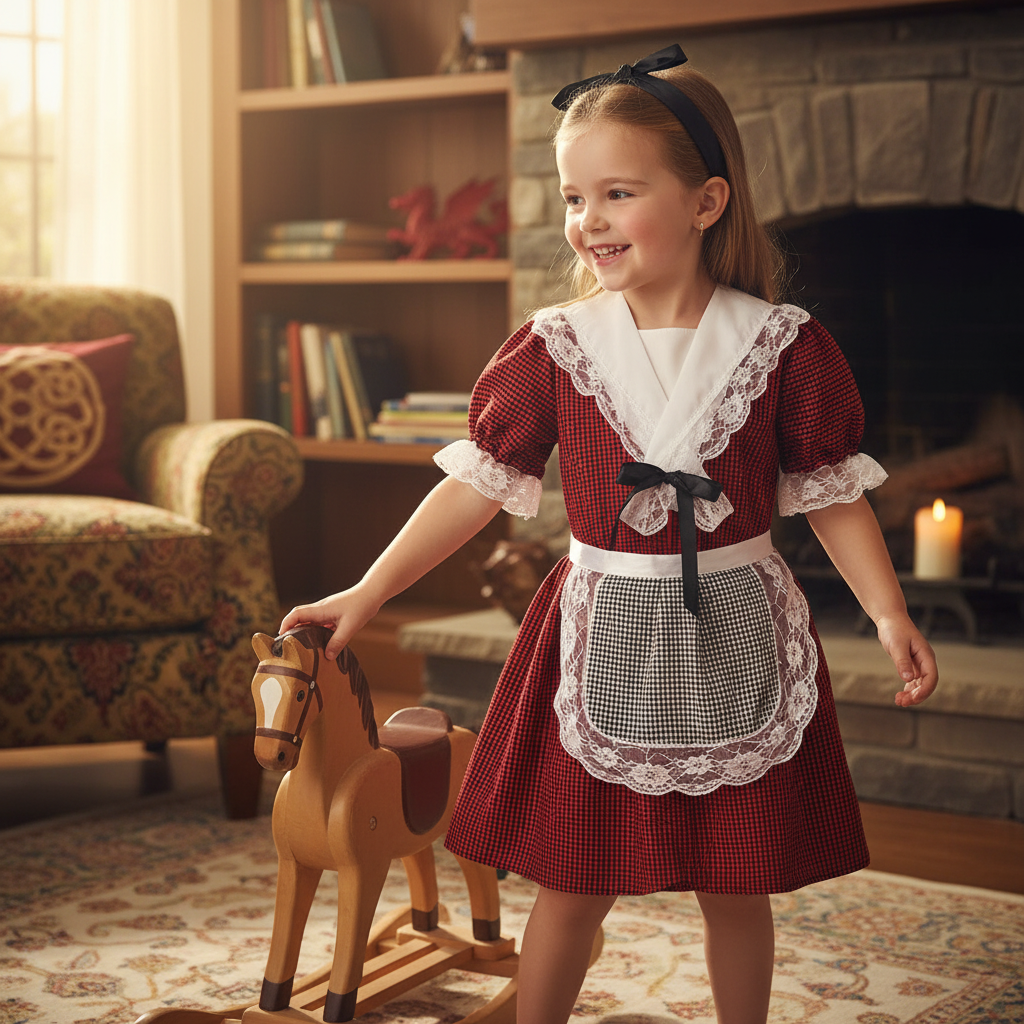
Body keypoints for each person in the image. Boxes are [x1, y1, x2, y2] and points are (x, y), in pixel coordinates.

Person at [280, 45, 939, 1024]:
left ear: (706, 201)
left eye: (616, 192)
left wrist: (886, 611)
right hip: (595, 634)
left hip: (735, 630)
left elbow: (831, 490)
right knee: (573, 878)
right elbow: (474, 488)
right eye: (571, 196)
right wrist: (366, 594)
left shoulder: (784, 345)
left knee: (735, 882)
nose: (585, 220)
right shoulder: (555, 348)